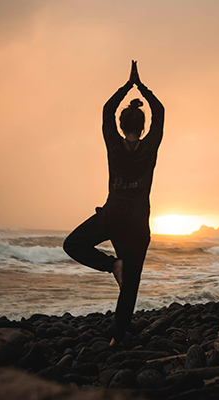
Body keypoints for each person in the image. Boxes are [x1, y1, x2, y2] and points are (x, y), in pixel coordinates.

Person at [63, 61, 164, 347]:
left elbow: (107, 110)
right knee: (130, 285)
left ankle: (112, 266)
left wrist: (127, 86)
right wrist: (142, 87)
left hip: (113, 216)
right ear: (143, 127)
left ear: (120, 126)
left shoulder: (114, 145)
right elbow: (160, 111)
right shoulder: (150, 147)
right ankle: (116, 339)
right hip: (136, 224)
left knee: (73, 244)